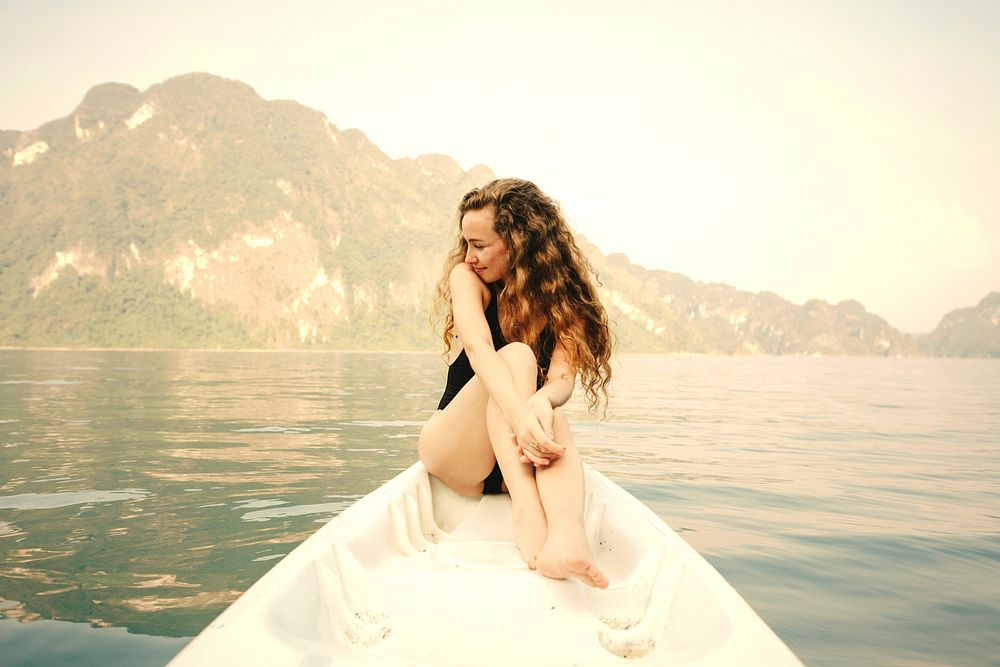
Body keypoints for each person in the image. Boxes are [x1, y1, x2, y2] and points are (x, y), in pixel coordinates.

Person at [418, 178, 613, 589]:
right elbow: (478, 349)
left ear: (519, 241)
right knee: (519, 356)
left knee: (554, 417)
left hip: (511, 456)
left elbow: (562, 380)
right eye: (466, 242)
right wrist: (523, 416)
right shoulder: (467, 279)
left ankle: (566, 537)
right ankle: (528, 511)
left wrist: (541, 404)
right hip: (457, 452)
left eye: (481, 244)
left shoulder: (565, 302)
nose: (470, 255)